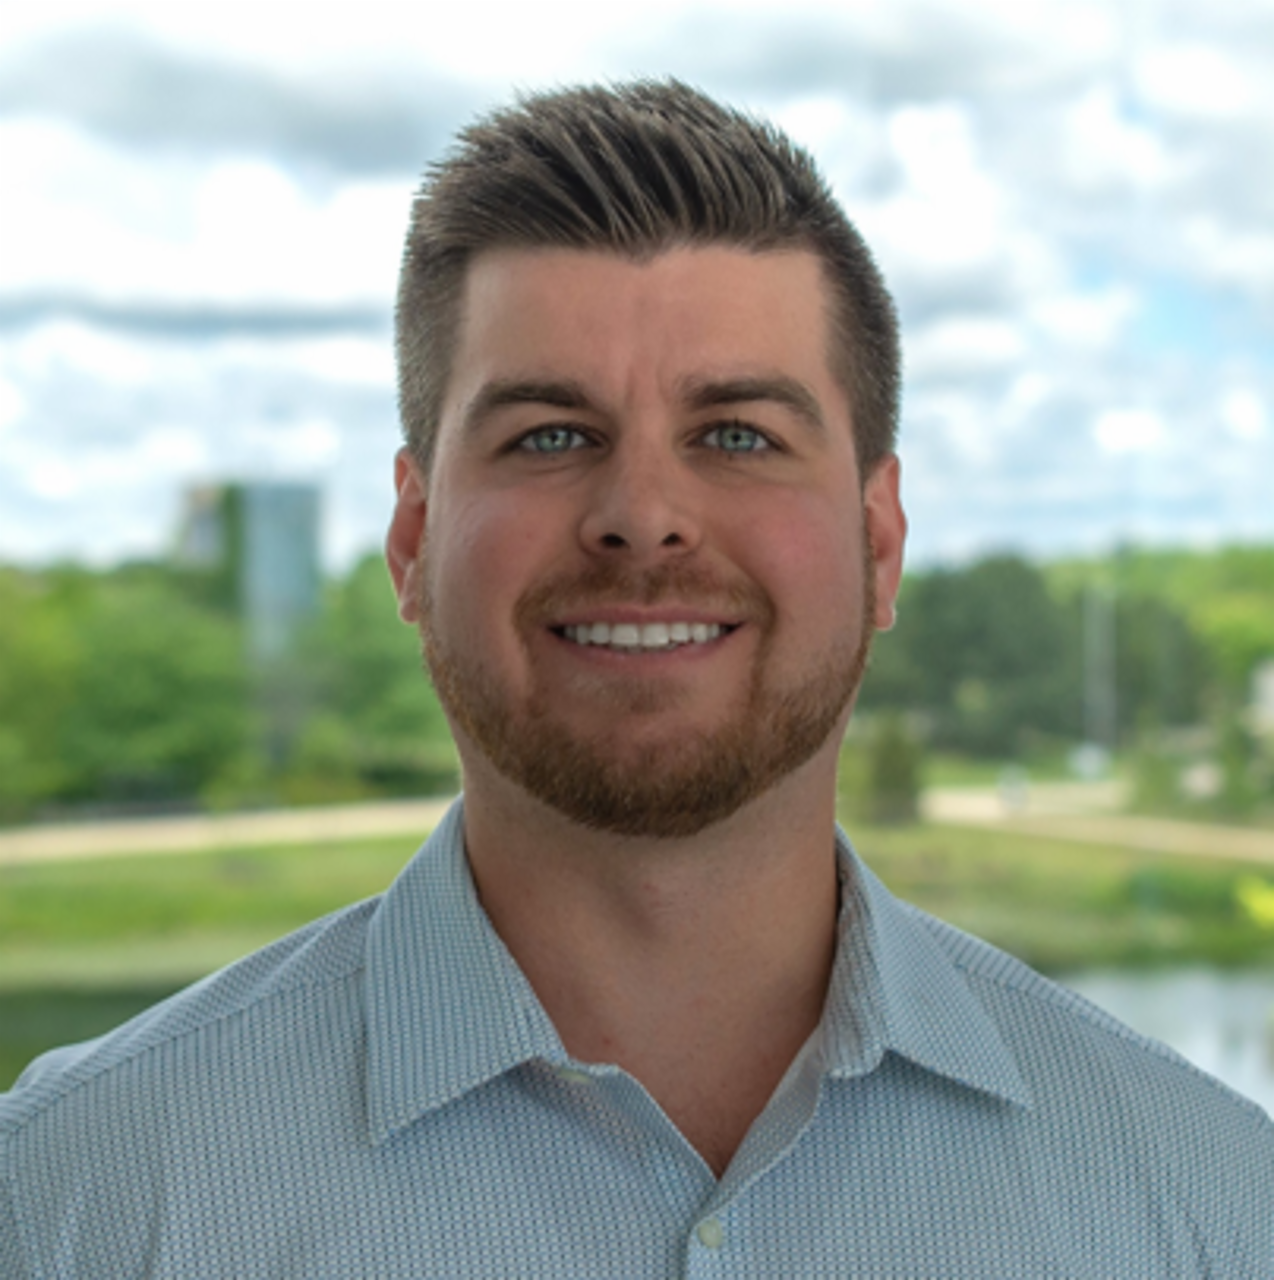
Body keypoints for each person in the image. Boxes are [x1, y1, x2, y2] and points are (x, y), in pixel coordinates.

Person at [1, 80, 1270, 1278]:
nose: (642, 515)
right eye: (549, 434)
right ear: (412, 538)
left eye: (736, 435)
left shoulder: (1211, 1205)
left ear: (877, 544)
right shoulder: (68, 1198)